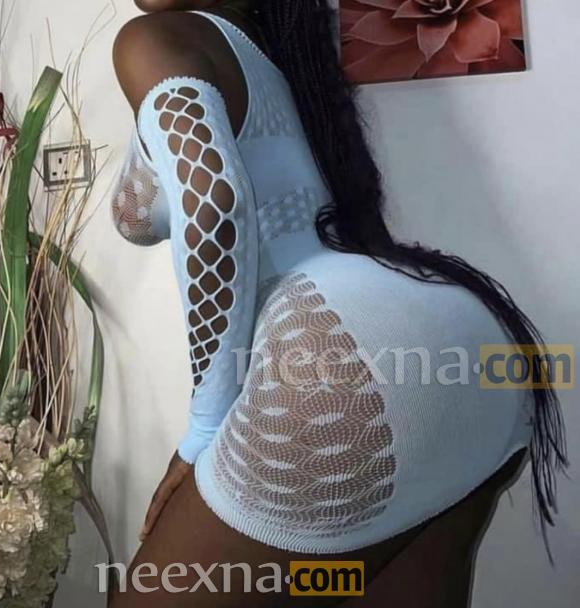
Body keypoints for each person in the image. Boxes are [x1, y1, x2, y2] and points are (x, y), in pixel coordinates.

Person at [109, 1, 566, 605]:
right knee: (334, 585)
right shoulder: (288, 60)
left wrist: (203, 431)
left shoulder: (154, 39)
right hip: (472, 349)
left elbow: (212, 202)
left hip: (339, 366)